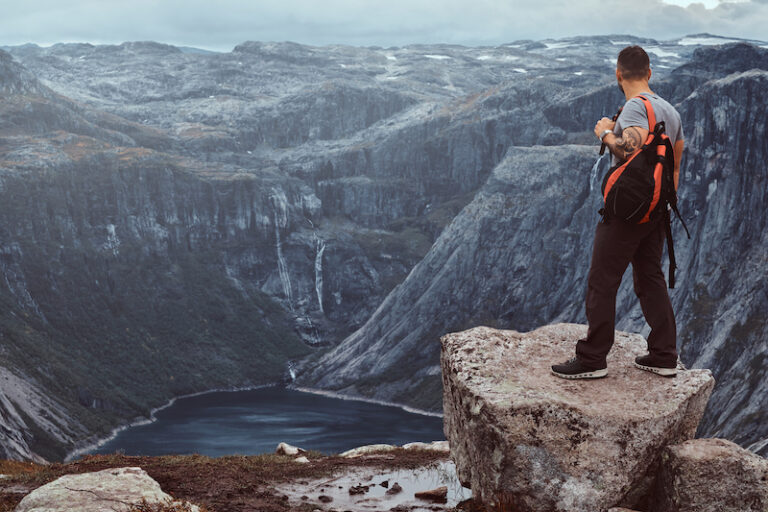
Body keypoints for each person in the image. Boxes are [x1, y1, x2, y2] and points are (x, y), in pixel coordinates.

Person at [551, 45, 685, 379]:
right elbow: (676, 169)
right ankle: (665, 354)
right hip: (656, 210)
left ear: (618, 74)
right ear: (650, 73)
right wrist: (659, 205)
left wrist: (606, 133)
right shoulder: (671, 111)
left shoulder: (634, 109)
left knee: (602, 280)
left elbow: (629, 147)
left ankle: (593, 358)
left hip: (627, 212)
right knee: (649, 276)